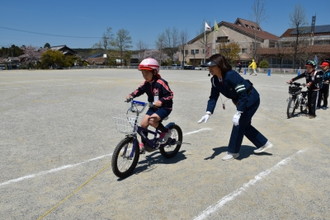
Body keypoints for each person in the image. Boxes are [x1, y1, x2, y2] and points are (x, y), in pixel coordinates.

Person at [197, 54, 273, 161]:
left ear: (219, 66)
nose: (210, 70)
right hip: (240, 100)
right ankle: (264, 143)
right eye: (208, 67)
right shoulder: (214, 80)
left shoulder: (231, 75)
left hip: (250, 98)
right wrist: (208, 112)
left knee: (238, 124)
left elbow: (243, 94)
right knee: (244, 125)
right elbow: (213, 97)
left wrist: (239, 112)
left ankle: (233, 152)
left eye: (212, 67)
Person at [126, 58, 174, 151]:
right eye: (143, 73)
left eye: (147, 73)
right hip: (153, 107)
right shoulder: (146, 83)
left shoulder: (161, 82)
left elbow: (170, 94)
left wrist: (161, 101)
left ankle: (166, 132)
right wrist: (131, 95)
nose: (144, 75)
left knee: (152, 121)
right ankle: (144, 144)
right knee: (143, 124)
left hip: (165, 107)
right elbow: (139, 90)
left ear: (154, 72)